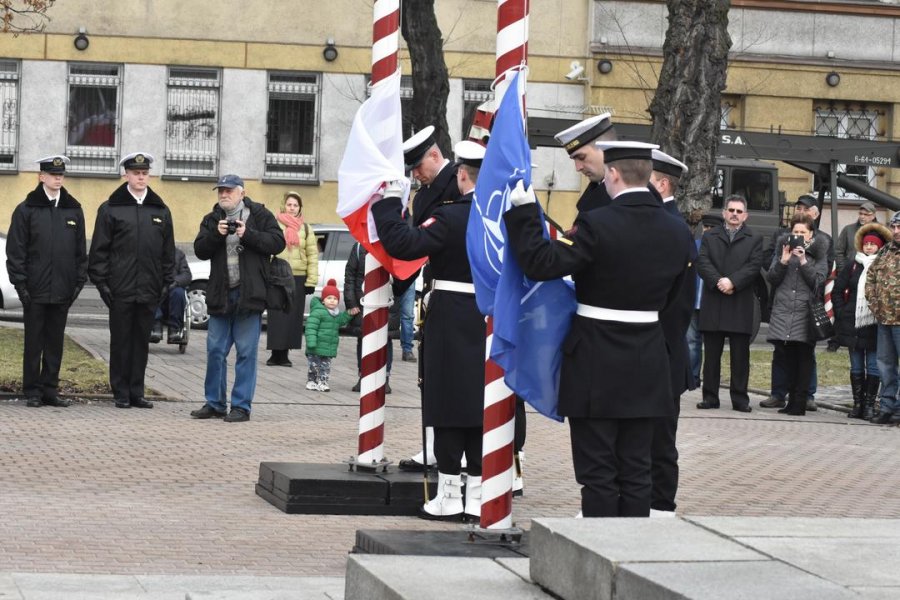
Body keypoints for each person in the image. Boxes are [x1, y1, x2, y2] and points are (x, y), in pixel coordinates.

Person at [504, 140, 691, 518]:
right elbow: (676, 301)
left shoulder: (598, 222)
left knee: (598, 471)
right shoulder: (678, 231)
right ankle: (633, 552)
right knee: (638, 470)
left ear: (614, 174)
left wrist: (524, 212)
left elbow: (542, 263)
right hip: (648, 357)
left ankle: (598, 553)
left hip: (595, 358)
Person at [372, 140, 487, 521]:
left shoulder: (453, 216)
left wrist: (388, 202)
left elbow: (405, 244)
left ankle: (450, 494)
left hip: (452, 315)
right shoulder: (509, 217)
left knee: (449, 403)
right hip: (492, 319)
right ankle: (479, 494)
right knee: (480, 406)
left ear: (462, 175)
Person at [190, 174, 285, 422]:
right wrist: (216, 235)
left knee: (246, 353)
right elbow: (200, 250)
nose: (223, 195)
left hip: (249, 295)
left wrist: (249, 234)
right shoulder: (212, 219)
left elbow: (278, 243)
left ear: (241, 193)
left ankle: (241, 406)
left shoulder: (260, 215)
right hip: (221, 294)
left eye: (229, 191)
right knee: (215, 351)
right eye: (220, 191)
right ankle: (215, 403)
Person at [394, 126, 461, 474]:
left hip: (462, 292)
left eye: (419, 166)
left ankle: (456, 450)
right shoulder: (425, 193)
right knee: (430, 374)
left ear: (435, 156)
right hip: (435, 288)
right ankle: (436, 446)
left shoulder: (458, 182)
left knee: (454, 378)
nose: (416, 174)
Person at [89, 152, 175, 410]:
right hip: (120, 288)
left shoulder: (160, 210)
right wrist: (103, 284)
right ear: (126, 175)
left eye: (144, 173)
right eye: (136, 173)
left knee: (141, 341)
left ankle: (137, 391)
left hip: (149, 288)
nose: (140, 177)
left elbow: (167, 251)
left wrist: (166, 283)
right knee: (121, 341)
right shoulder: (111, 209)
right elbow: (99, 251)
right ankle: (121, 392)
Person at [6, 155, 87, 408]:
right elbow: (16, 252)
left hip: (62, 289)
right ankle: (32, 390)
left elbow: (79, 253)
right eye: (53, 174)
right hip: (35, 290)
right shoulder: (26, 210)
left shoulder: (73, 209)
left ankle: (50, 389)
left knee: (55, 342)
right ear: (42, 177)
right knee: (34, 342)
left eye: (61, 174)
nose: (58, 178)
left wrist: (76, 284)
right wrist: (21, 286)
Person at [647, 149, 697, 517]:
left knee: (661, 438)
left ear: (662, 183)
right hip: (655, 351)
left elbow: (677, 307)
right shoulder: (658, 221)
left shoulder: (671, 227)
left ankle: (662, 505)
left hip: (662, 352)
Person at [762, 195, 833, 409]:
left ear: (811, 235)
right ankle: (781, 396)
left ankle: (800, 401)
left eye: (803, 233)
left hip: (804, 312)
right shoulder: (782, 250)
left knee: (804, 357)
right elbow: (772, 278)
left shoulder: (818, 253)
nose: (798, 236)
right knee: (783, 355)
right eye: (795, 232)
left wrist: (803, 261)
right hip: (783, 309)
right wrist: (783, 261)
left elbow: (818, 282)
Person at [696, 194, 764, 413]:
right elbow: (702, 262)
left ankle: (740, 399)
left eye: (738, 211)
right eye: (731, 210)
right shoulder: (710, 236)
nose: (734, 214)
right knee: (712, 355)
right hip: (714, 300)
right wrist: (718, 282)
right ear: (724, 212)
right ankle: (710, 397)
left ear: (745, 215)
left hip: (739, 302)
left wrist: (733, 282)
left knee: (740, 356)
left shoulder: (755, 237)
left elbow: (754, 266)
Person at [832, 222, 892, 420]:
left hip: (874, 322)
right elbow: (838, 290)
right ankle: (857, 404)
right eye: (866, 244)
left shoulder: (883, 264)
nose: (868, 247)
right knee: (856, 365)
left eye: (873, 244)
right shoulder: (853, 264)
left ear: (880, 246)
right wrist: (841, 312)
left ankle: (869, 405)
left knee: (873, 365)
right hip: (853, 323)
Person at [265, 191, 318, 367]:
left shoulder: (306, 229)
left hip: (298, 276)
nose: (292, 208)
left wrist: (311, 281)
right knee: (276, 315)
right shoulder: (275, 225)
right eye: (289, 204)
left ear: (300, 208)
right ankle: (275, 354)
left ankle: (285, 355)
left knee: (292, 316)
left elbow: (312, 255)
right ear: (284, 206)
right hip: (279, 275)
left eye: (295, 205)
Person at [343, 241, 396, 394]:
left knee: (386, 339)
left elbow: (401, 278)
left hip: (388, 302)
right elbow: (350, 276)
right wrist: (351, 302)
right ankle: (363, 376)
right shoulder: (360, 246)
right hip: (363, 302)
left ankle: (384, 378)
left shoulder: (393, 242)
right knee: (363, 338)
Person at [865, 210, 900, 424]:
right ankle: (886, 406)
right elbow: (871, 279)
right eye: (894, 227)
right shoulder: (886, 251)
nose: (896, 231)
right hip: (884, 318)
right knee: (885, 365)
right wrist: (876, 305)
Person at [686, 211, 724, 384]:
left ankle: (710, 378)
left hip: (712, 302)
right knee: (692, 341)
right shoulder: (694, 245)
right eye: (706, 226)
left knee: (711, 345)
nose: (707, 230)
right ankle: (693, 376)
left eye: (712, 227)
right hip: (693, 300)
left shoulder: (722, 249)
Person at [553, 112, 618, 212]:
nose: (578, 168)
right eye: (574, 159)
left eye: (581, 157)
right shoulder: (597, 192)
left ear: (605, 148)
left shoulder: (632, 197)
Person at [304, 279, 353, 392]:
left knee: (325, 366)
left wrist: (349, 314)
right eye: (329, 298)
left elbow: (342, 320)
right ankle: (312, 381)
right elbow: (311, 327)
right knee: (314, 366)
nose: (332, 301)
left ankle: (323, 382)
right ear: (323, 300)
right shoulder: (318, 312)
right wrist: (311, 341)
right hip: (315, 347)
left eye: (335, 299)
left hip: (328, 348)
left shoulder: (335, 314)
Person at [149, 247, 192, 344]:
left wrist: (174, 283)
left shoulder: (179, 254)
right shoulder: (150, 252)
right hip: (156, 292)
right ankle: (156, 326)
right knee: (152, 290)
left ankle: (174, 329)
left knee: (178, 292)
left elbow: (186, 275)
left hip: (173, 291)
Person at [835, 201, 878, 273]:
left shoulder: (881, 231)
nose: (862, 216)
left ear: (873, 216)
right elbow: (838, 252)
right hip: (850, 272)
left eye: (866, 214)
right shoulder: (848, 229)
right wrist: (843, 270)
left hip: (873, 273)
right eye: (860, 213)